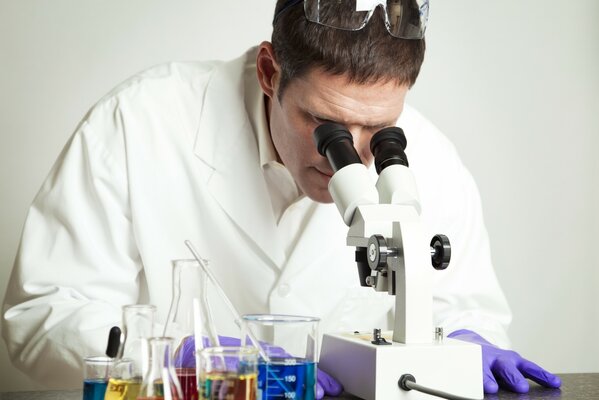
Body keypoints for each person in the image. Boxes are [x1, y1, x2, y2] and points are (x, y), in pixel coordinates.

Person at [2, 0, 561, 397]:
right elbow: (40, 315)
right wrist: (175, 352)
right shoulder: (138, 123)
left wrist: (466, 349)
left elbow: (472, 316)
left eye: (381, 129)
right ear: (270, 71)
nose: (354, 156)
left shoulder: (433, 160)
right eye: (325, 124)